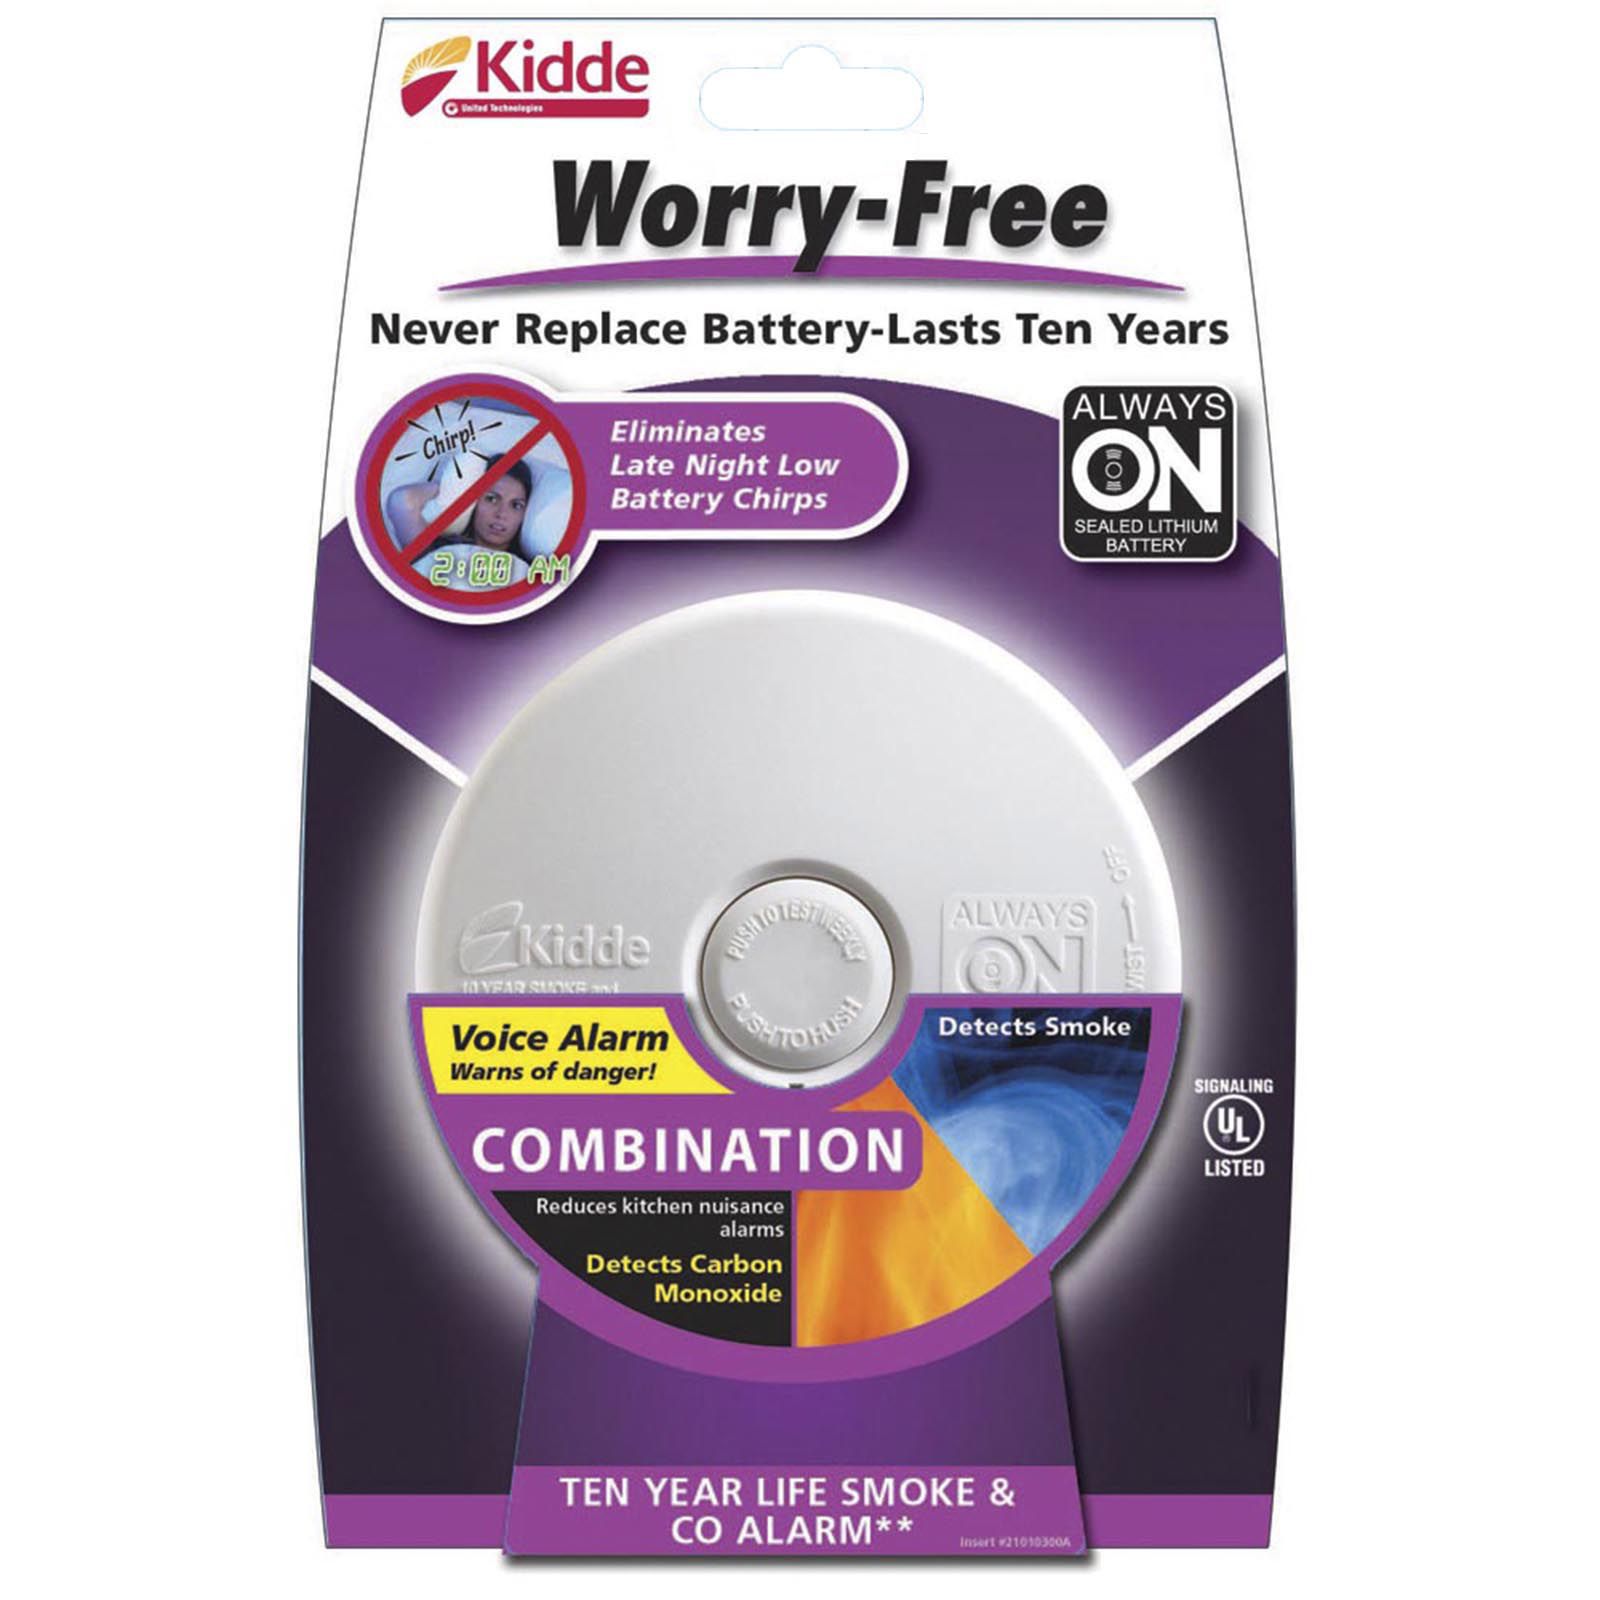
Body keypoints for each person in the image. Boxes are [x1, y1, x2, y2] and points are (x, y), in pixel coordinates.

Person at [386, 453, 533, 591]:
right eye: (491, 499)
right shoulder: (438, 549)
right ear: (474, 502)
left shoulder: (533, 573)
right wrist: (452, 490)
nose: (501, 514)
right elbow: (401, 501)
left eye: (516, 505)